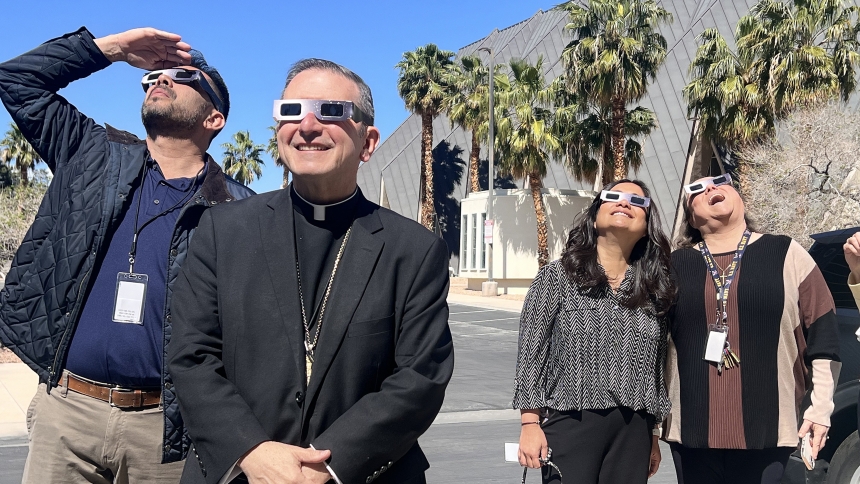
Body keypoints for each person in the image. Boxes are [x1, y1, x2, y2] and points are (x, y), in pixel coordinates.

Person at [167, 58, 454, 484]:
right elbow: (191, 356)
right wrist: (252, 451)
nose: (307, 125)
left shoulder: (413, 250)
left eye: (331, 111)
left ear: (368, 142)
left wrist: (331, 465)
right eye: (291, 111)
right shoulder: (221, 230)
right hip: (242, 473)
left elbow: (421, 376)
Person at [0, 27, 254, 483]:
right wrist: (109, 50)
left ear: (214, 117)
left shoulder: (239, 209)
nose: (161, 79)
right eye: (154, 75)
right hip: (67, 413)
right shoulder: (92, 153)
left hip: (166, 430)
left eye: (182, 75)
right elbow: (15, 80)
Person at [665, 174, 840, 484]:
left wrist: (820, 407)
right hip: (691, 429)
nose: (710, 189)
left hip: (769, 427)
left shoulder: (786, 253)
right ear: (691, 216)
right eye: (697, 189)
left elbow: (823, 329)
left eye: (720, 181)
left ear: (740, 198)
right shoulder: (672, 265)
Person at [513, 179, 675, 484]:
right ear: (595, 215)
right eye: (613, 197)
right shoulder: (557, 276)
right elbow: (531, 354)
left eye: (636, 201)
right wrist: (530, 422)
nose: (624, 203)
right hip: (572, 421)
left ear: (647, 222)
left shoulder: (655, 287)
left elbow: (656, 369)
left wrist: (653, 432)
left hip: (634, 430)